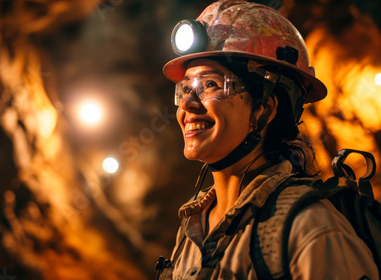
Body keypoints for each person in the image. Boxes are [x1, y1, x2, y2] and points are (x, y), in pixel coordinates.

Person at [157, 0, 379, 279]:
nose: (186, 105)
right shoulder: (192, 228)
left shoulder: (309, 229)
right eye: (185, 88)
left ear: (265, 109)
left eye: (210, 85)